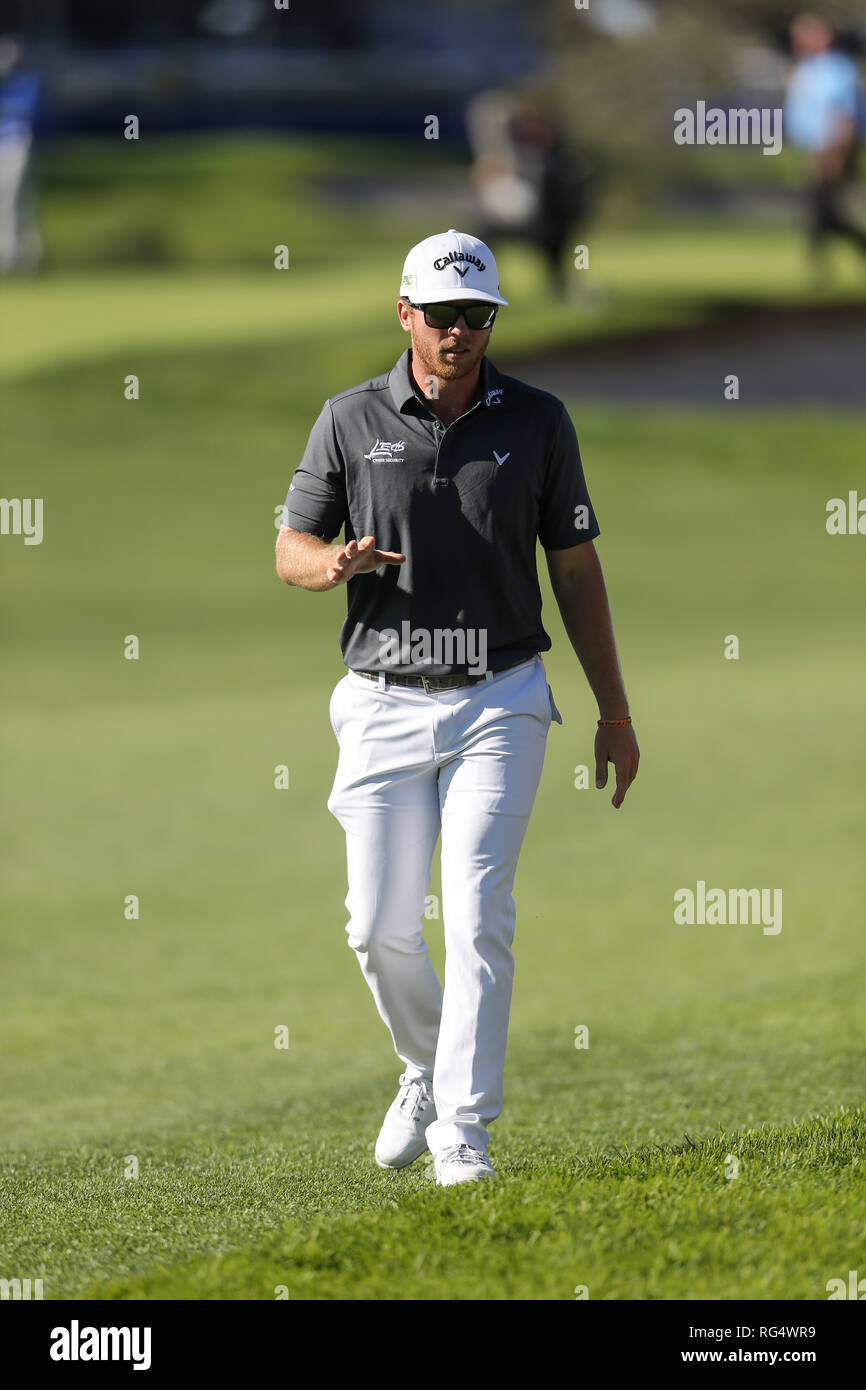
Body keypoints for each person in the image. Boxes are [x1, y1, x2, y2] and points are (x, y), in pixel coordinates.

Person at [275, 229, 639, 1186]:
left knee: (479, 911)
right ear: (405, 315)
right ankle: (424, 1069)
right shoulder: (348, 418)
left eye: (478, 316)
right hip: (381, 701)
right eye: (442, 316)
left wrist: (614, 710)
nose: (460, 333)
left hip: (503, 695)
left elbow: (575, 564)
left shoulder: (539, 419)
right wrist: (335, 562)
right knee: (377, 926)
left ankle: (463, 1133)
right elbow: (290, 550)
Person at [784, 13, 866, 263]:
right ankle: (820, 256)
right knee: (823, 208)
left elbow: (844, 114)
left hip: (832, 150)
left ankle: (821, 256)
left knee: (826, 207)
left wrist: (836, 154)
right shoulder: (805, 68)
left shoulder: (837, 68)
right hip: (816, 149)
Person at [0, 36, 41, 275]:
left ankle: (17, 260)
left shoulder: (25, 84)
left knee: (15, 205)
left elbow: (25, 113)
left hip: (16, 148)